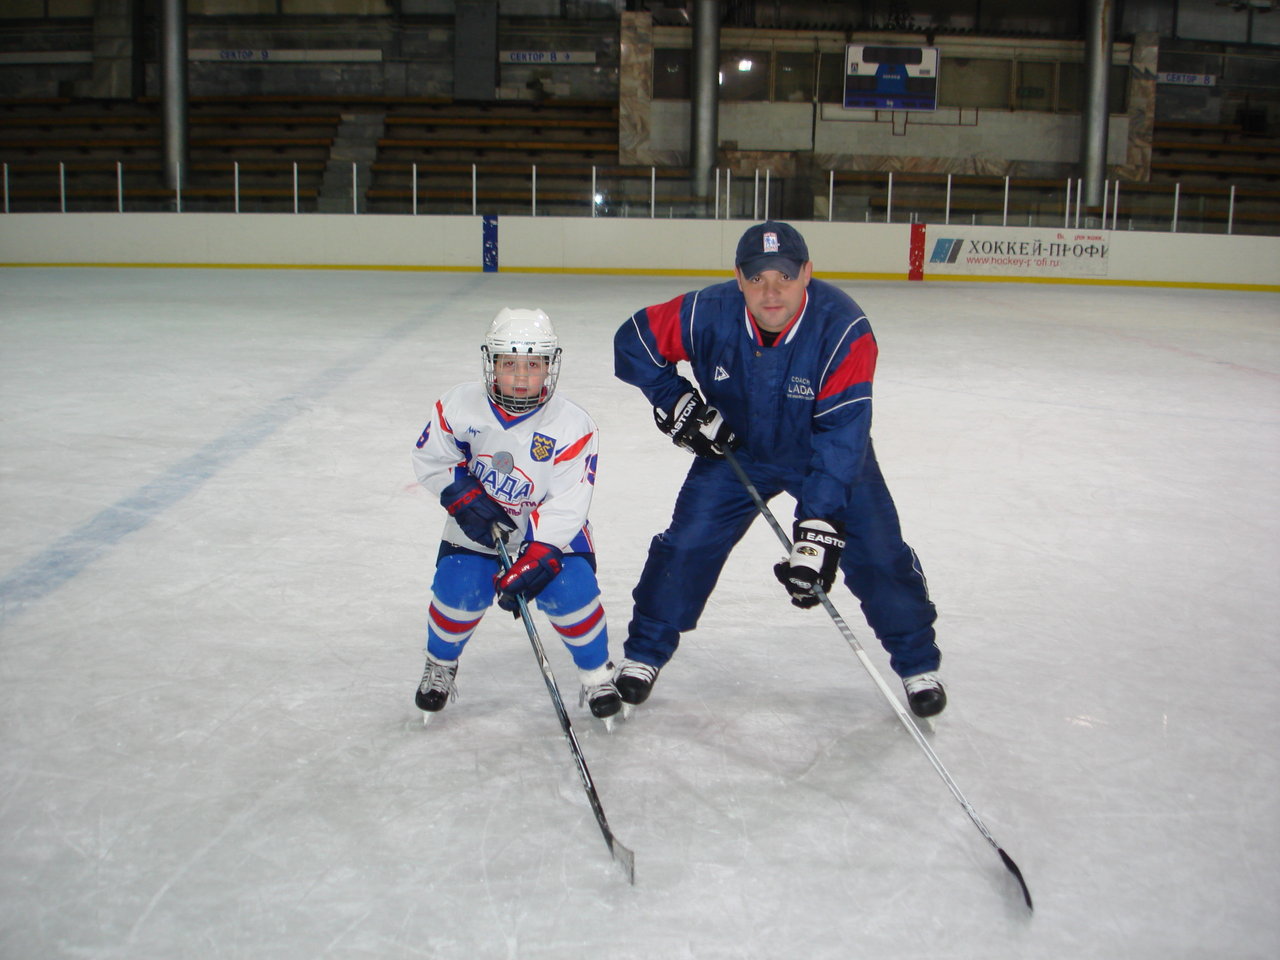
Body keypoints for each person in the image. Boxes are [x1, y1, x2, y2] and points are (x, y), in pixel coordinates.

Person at [611, 220, 946, 718]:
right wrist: (677, 400)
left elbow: (842, 434)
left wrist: (818, 530)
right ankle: (643, 654)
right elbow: (634, 341)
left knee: (878, 555)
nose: (771, 292)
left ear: (807, 273)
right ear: (739, 278)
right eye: (757, 278)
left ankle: (917, 664)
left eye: (784, 277)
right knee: (687, 545)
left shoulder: (843, 329)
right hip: (736, 450)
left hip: (823, 453)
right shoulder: (706, 312)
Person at [411, 307, 621, 723]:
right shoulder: (459, 405)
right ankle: (440, 663)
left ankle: (597, 675)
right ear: (492, 363)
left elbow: (568, 501)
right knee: (459, 587)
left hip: (548, 531)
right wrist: (459, 493)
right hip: (476, 523)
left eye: (534, 364)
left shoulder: (573, 425)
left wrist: (540, 552)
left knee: (571, 590)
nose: (521, 376)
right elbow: (434, 457)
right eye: (509, 364)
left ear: (550, 366)